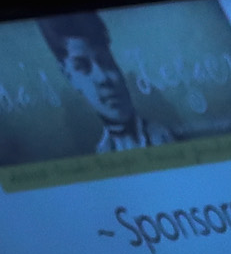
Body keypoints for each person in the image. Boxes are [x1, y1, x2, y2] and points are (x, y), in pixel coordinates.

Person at [36, 11, 170, 152]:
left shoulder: (166, 138)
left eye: (106, 61)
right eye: (83, 67)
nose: (103, 77)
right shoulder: (98, 152)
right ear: (69, 76)